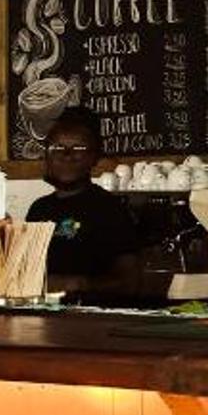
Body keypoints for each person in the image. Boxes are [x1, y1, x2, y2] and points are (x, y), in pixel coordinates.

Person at [26, 108, 144, 295]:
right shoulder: (38, 210)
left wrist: (81, 285)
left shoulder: (110, 209)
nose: (67, 156)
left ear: (94, 158)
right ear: (47, 157)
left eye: (79, 149)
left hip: (94, 312)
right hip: (41, 311)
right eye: (58, 148)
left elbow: (131, 282)